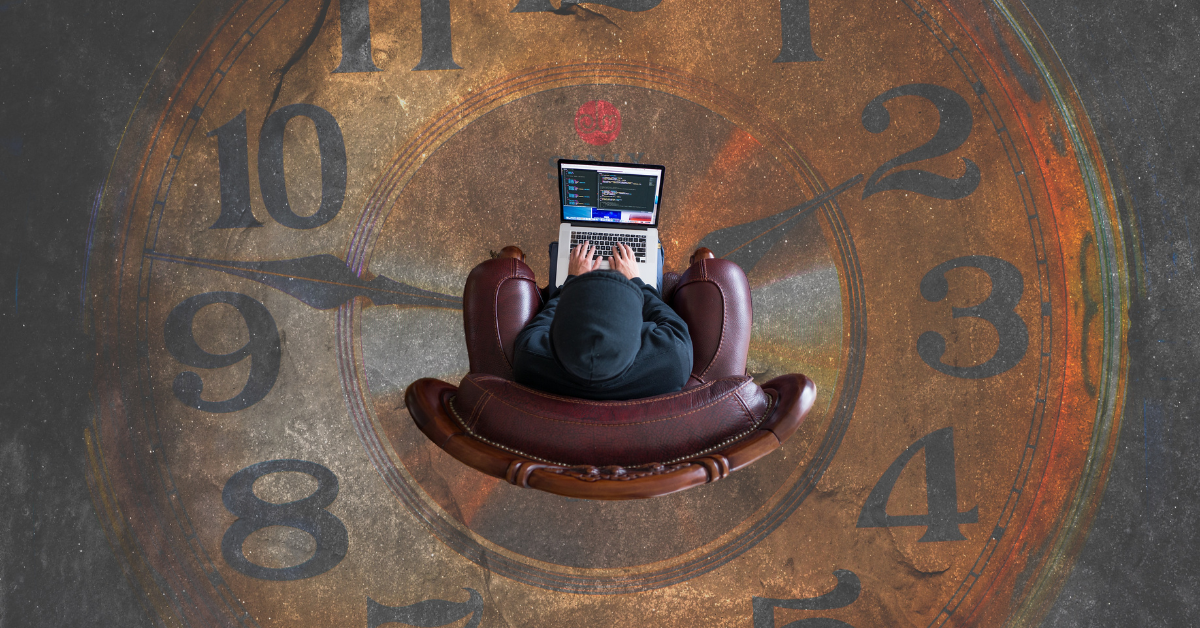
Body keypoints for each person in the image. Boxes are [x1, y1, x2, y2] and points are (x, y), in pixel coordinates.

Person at [511, 241, 693, 400]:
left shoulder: (528, 358)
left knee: (558, 249)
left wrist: (573, 280)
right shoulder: (674, 359)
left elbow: (543, 321)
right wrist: (635, 280)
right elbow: (666, 316)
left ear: (555, 332)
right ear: (639, 331)